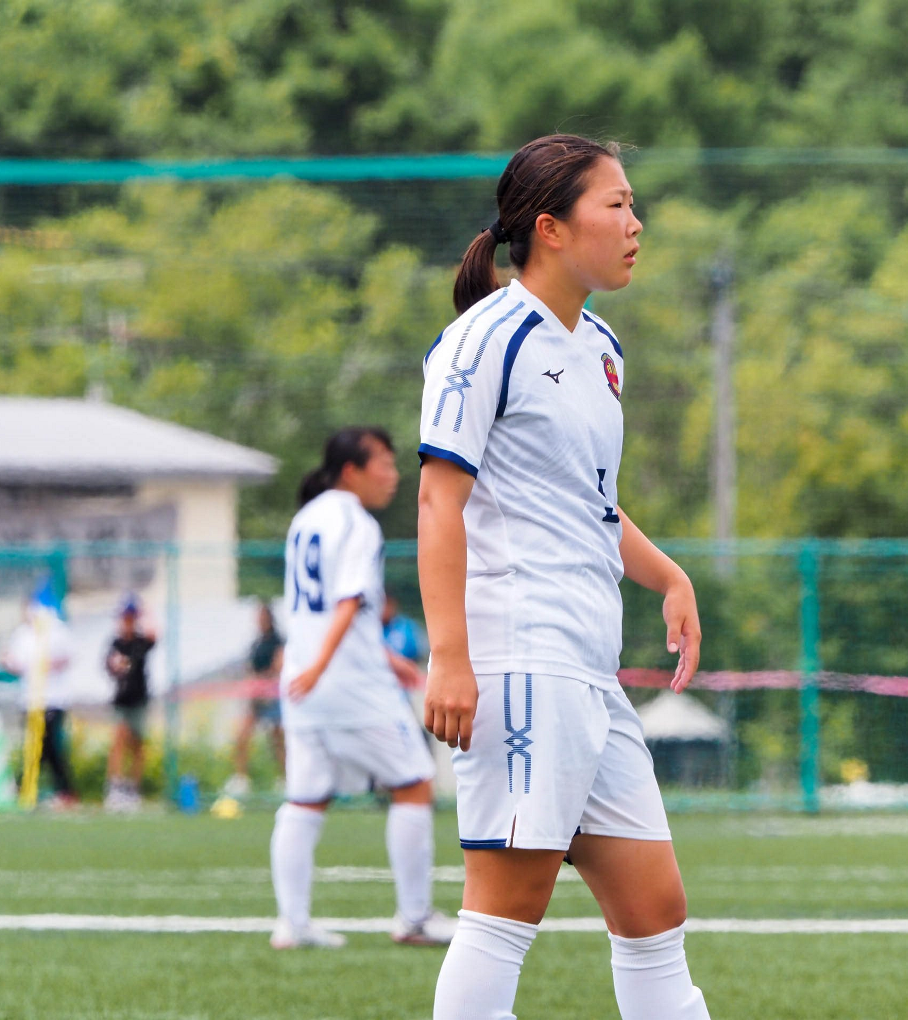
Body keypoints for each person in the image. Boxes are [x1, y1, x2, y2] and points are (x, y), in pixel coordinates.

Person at [418, 134, 710, 1020]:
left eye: (633, 203)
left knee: (655, 910)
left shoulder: (603, 348)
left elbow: (591, 503)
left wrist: (667, 576)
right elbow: (439, 504)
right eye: (615, 205)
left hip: (589, 668)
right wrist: (450, 657)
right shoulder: (483, 342)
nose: (636, 222)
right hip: (522, 663)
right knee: (505, 912)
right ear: (549, 227)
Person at [270, 426, 454, 950]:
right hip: (345, 683)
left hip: (303, 685)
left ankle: (293, 924)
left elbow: (325, 608)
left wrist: (381, 656)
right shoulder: (357, 523)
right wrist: (329, 664)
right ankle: (414, 918)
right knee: (414, 783)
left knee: (305, 799)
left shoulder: (304, 519)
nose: (394, 475)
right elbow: (348, 602)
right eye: (385, 464)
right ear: (351, 470)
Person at [1, 584, 78, 808]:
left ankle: (52, 789)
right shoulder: (23, 634)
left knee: (47, 746)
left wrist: (48, 664)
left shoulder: (57, 630)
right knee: (36, 745)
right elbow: (13, 661)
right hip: (30, 699)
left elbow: (69, 657)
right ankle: (34, 787)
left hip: (53, 698)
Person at [225, 601, 285, 798]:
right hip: (256, 698)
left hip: (274, 697)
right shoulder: (255, 643)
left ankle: (285, 779)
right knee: (242, 735)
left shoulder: (278, 640)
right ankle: (241, 779)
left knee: (278, 739)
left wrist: (264, 680)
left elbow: (279, 666)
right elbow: (249, 668)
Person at [104, 593, 156, 812]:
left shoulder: (140, 642)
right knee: (119, 738)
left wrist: (145, 611)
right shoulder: (116, 643)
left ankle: (133, 789)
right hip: (122, 701)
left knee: (137, 746)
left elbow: (155, 634)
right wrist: (116, 665)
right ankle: (115, 786)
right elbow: (109, 665)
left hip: (139, 699)